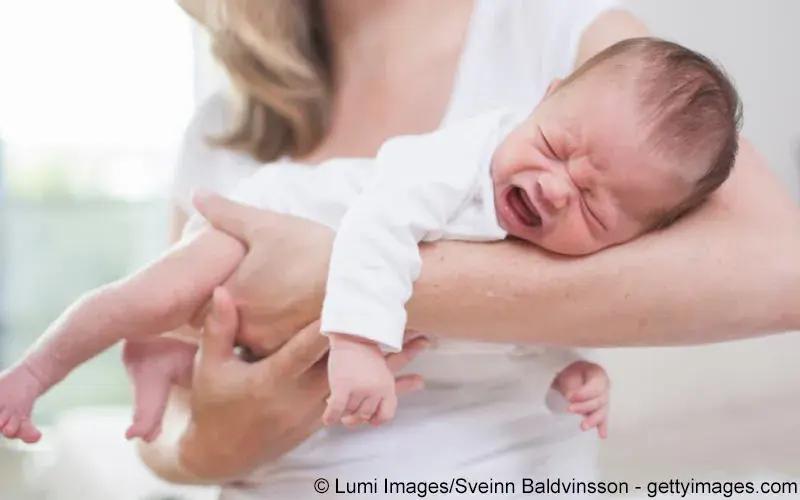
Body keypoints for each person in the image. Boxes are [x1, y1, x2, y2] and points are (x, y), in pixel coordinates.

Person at [137, 0, 799, 496]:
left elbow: (783, 270)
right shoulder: (222, 127)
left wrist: (338, 281)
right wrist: (208, 446)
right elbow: (163, 405)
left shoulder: (561, 33)